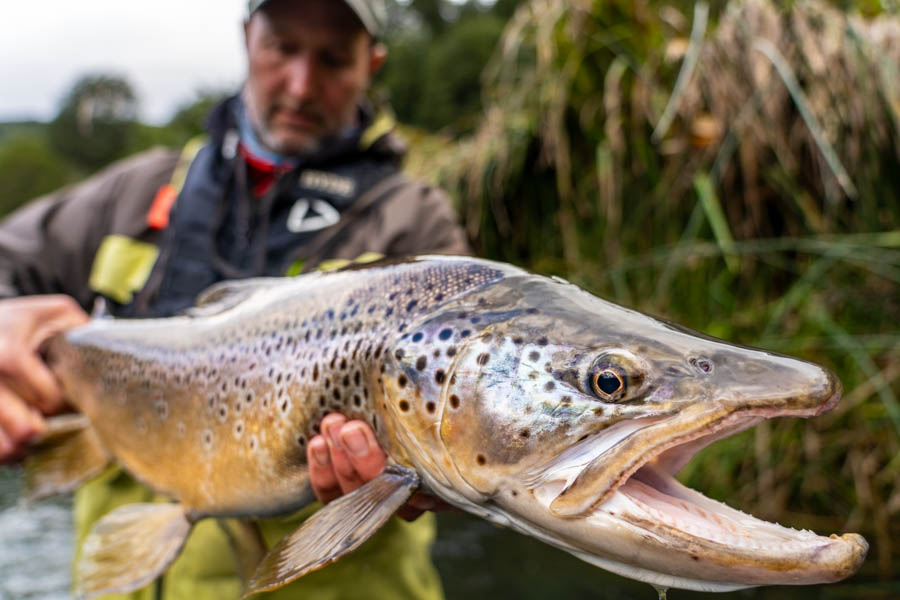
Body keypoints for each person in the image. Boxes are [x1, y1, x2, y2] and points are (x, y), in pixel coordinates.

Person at [0, 0, 468, 598]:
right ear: (248, 38)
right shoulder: (135, 190)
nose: (301, 85)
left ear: (371, 65)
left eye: (331, 59)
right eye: (282, 48)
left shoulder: (413, 221)